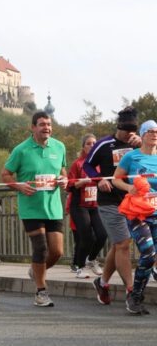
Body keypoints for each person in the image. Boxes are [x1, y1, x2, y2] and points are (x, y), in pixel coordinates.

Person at [1, 111, 67, 307]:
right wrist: (19, 185)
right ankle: (41, 291)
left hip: (53, 207)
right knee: (40, 248)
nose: (46, 127)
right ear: (33, 127)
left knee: (56, 252)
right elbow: (5, 174)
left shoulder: (59, 146)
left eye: (48, 124)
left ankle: (36, 271)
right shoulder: (21, 150)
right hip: (31, 207)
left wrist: (64, 179)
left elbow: (62, 170)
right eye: (42, 124)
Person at [84, 106, 141, 306]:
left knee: (118, 245)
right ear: (119, 127)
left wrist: (143, 145)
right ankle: (131, 291)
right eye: (127, 131)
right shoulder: (104, 144)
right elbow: (87, 165)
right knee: (124, 244)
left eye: (133, 131)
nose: (129, 135)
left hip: (132, 201)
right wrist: (98, 179)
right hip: (109, 201)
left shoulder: (138, 145)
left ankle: (103, 282)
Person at [112, 119, 157, 315]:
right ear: (143, 135)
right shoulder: (131, 157)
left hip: (156, 212)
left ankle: (137, 294)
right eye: (151, 132)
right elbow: (116, 179)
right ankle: (135, 296)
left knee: (152, 257)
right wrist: (129, 187)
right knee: (148, 253)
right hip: (137, 214)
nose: (155, 135)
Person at [66, 134, 107, 279]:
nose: (92, 145)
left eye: (94, 143)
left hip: (95, 205)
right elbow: (69, 185)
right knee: (86, 237)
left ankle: (91, 259)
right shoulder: (78, 164)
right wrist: (83, 181)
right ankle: (79, 267)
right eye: (89, 143)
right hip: (79, 205)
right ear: (83, 147)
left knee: (102, 234)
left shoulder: (100, 164)